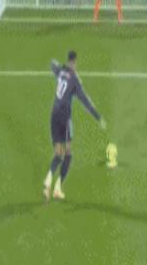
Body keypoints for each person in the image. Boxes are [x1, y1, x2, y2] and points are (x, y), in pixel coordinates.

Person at [43, 51, 107, 201]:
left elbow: (52, 64)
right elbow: (85, 102)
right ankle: (58, 188)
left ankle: (48, 179)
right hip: (64, 118)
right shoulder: (75, 80)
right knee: (68, 153)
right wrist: (98, 117)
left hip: (54, 115)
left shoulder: (61, 71)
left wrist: (59, 67)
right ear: (75, 62)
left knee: (58, 153)